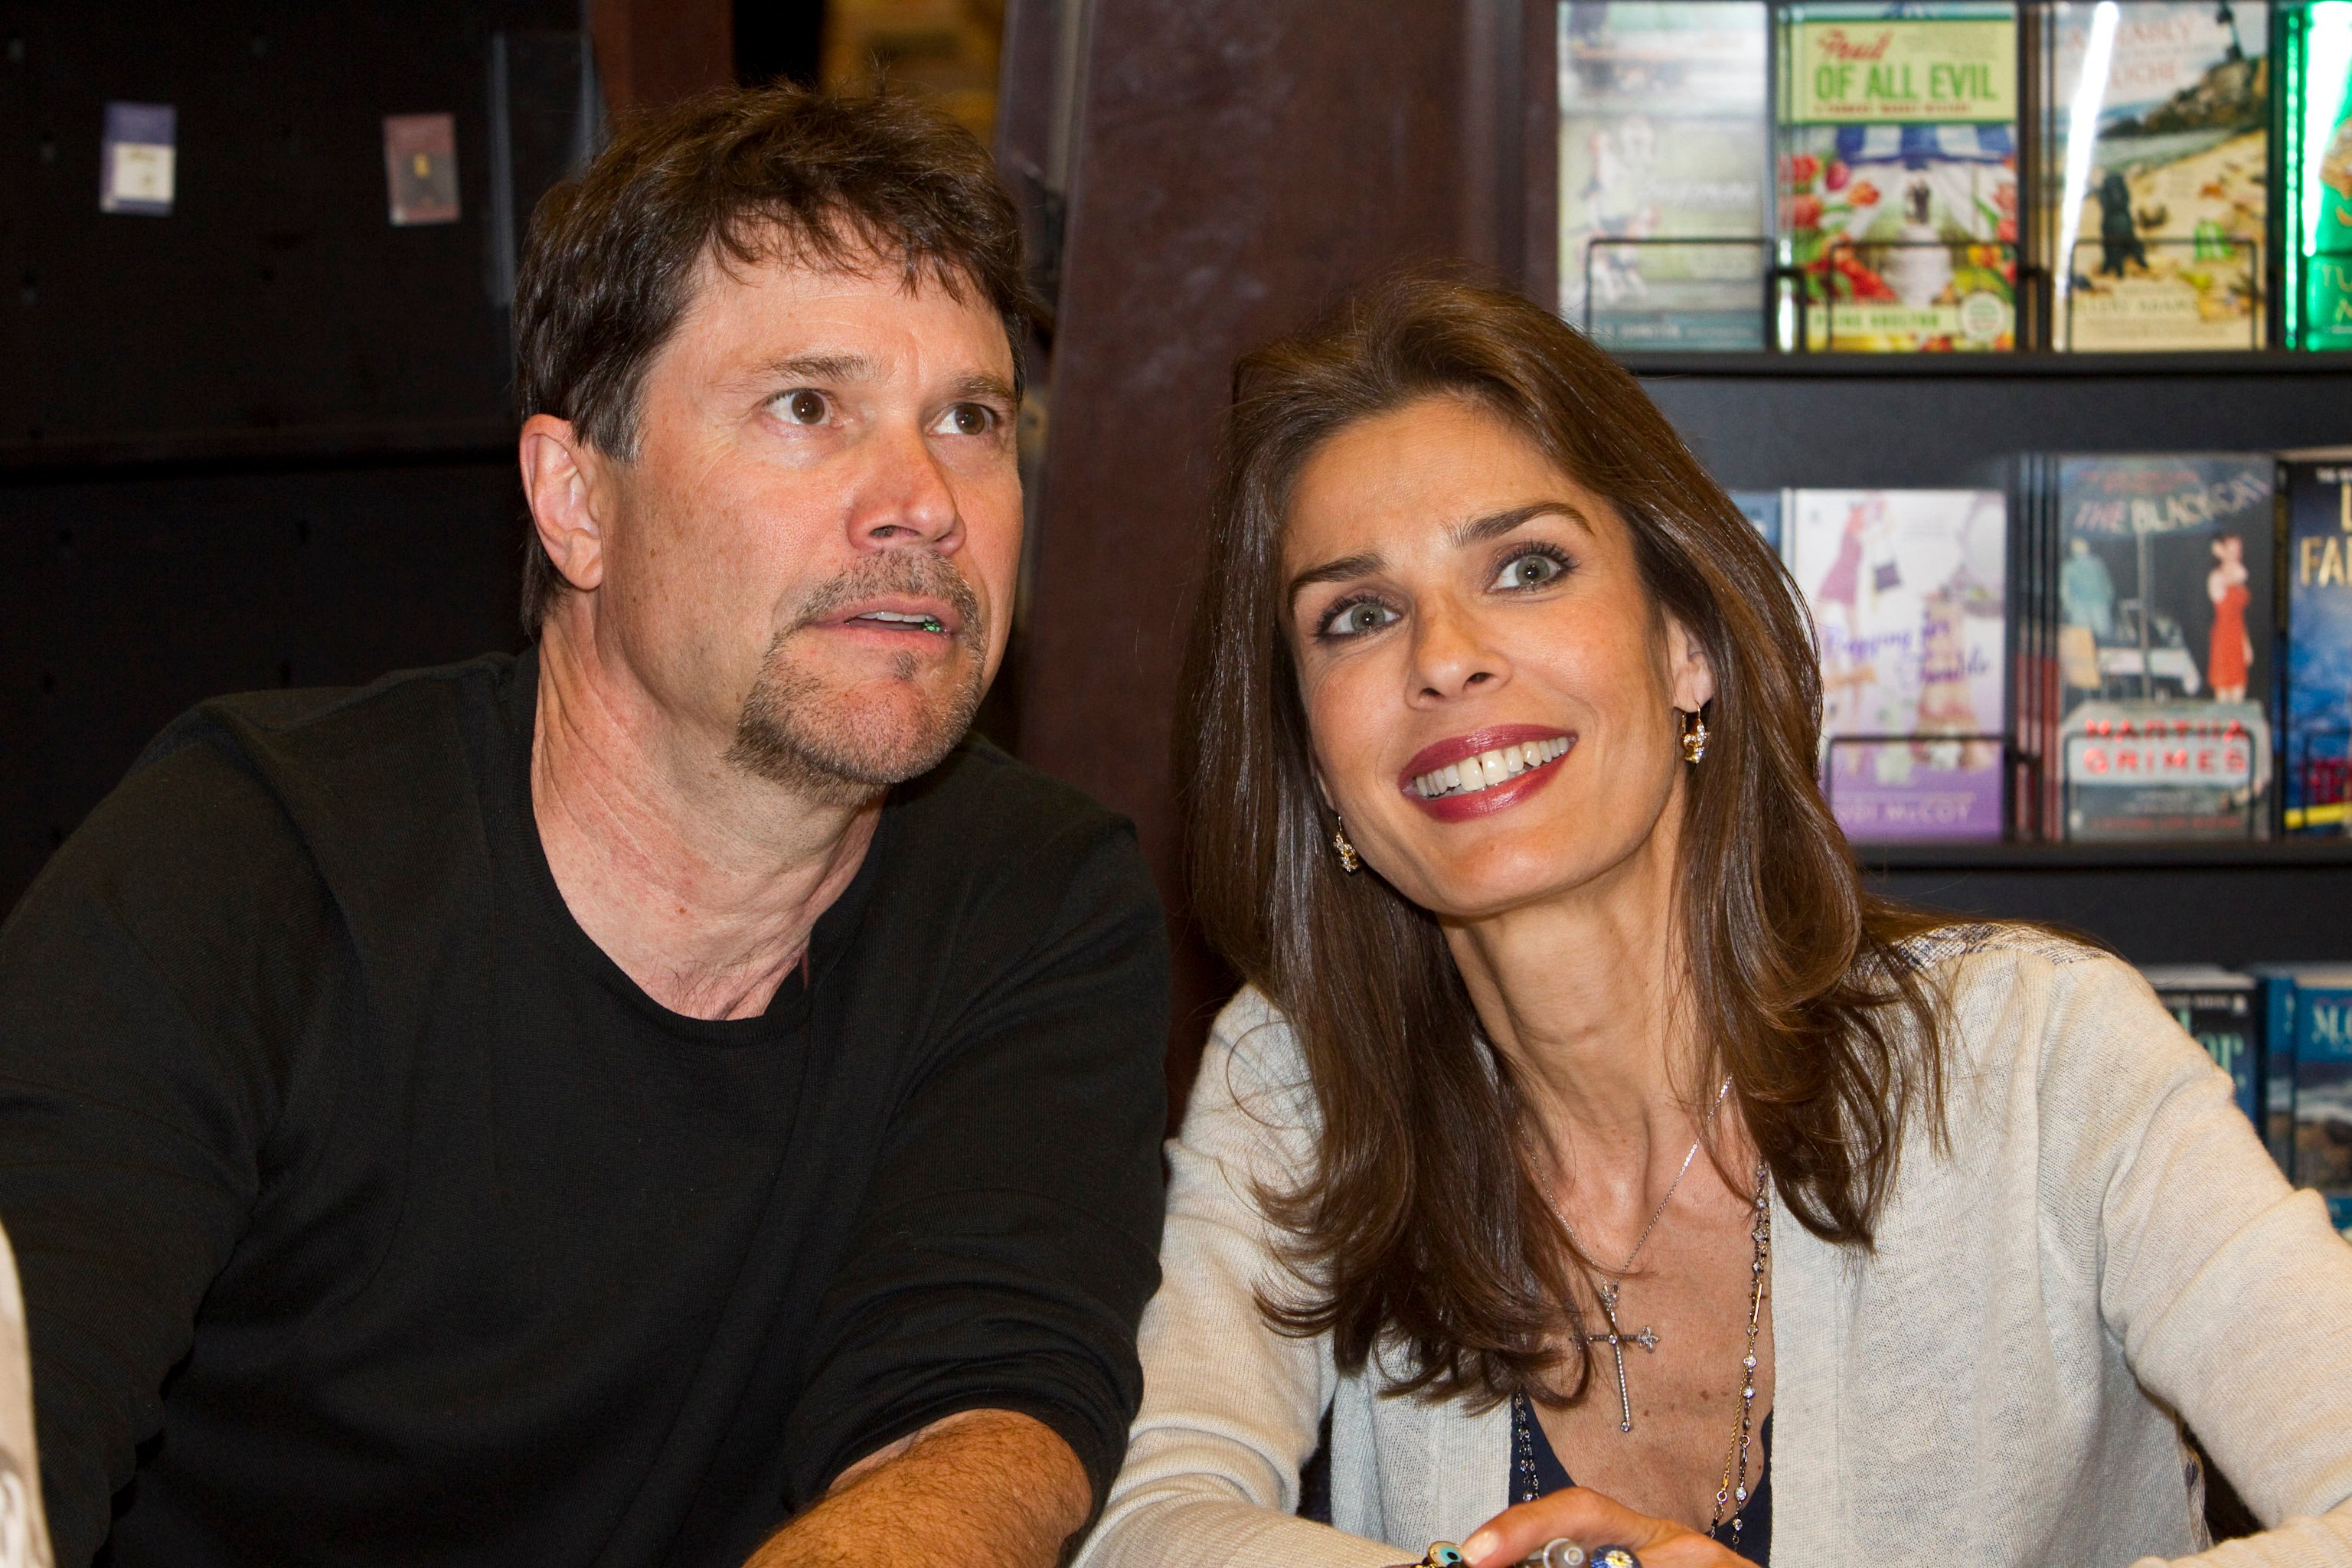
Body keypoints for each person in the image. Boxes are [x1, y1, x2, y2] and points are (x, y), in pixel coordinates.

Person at [0, 87, 1169, 1568]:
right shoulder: (251, 856)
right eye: (808, 407)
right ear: (574, 499)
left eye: (970, 419)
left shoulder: (1038, 899)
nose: (923, 502)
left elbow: (974, 1420)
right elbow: (28, 1396)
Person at [1072, 275, 2352, 1568]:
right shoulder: (1294, 1083)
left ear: (1685, 643)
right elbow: (1151, 1523)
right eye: (1357, 615)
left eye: (1526, 568)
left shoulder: (2043, 1053)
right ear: (1311, 755)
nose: (1443, 657)